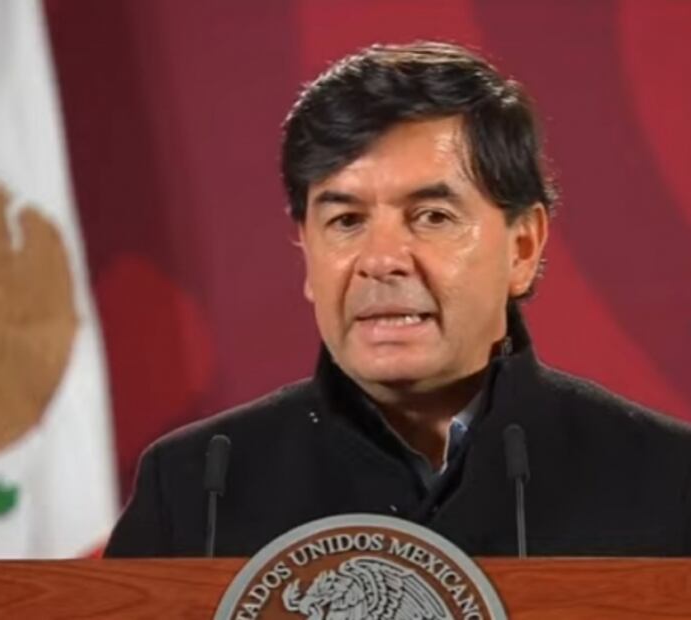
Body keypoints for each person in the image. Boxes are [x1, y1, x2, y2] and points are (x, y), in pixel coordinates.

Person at [105, 41, 691, 558]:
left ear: (522, 247)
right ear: (306, 250)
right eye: (346, 221)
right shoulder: (197, 489)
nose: (381, 259)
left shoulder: (669, 481)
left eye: (431, 216)